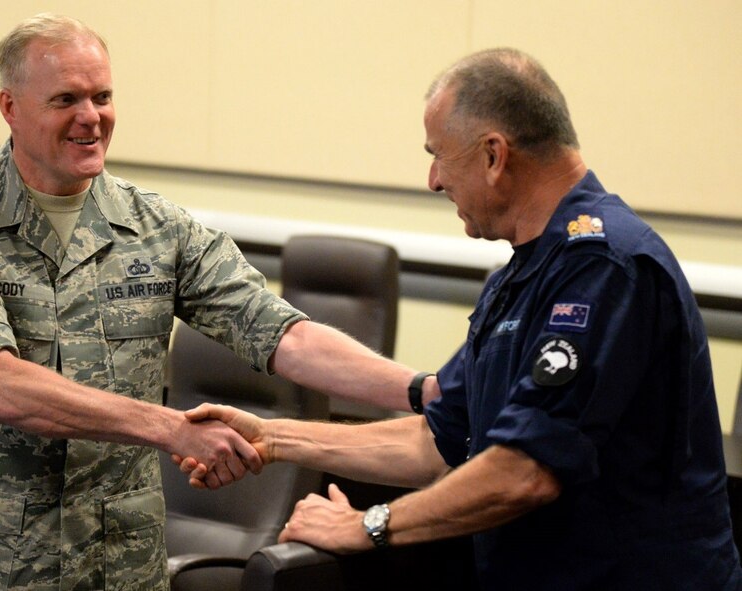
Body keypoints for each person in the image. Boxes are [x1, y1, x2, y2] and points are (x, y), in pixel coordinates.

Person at [0, 14, 429, 591]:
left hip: (113, 565)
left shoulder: (158, 227)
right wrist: (172, 429)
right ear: (10, 107)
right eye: (66, 98)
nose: (90, 117)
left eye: (102, 96)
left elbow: (280, 333)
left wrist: (423, 391)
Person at [181, 48, 742, 590]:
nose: (433, 179)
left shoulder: (604, 267)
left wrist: (366, 526)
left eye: (438, 154)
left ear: (494, 155)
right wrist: (273, 438)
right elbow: (438, 437)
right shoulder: (519, 276)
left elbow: (524, 471)